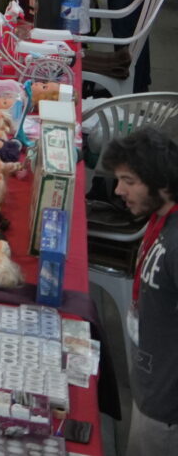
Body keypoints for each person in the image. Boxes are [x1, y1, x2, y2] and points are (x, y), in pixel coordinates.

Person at [93, 129, 178, 454]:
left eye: (129, 181)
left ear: (161, 181)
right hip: (150, 386)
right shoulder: (160, 221)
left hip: (166, 407)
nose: (118, 190)